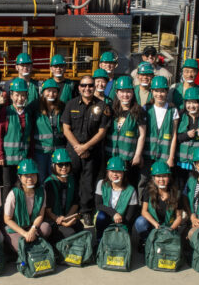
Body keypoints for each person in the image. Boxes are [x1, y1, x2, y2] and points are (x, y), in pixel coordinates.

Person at [61, 74, 111, 226]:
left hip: (92, 152)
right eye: (84, 85)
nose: (87, 88)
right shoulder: (71, 104)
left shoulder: (103, 106)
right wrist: (78, 147)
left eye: (90, 85)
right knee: (71, 182)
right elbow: (66, 129)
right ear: (79, 88)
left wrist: (86, 147)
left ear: (94, 87)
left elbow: (102, 132)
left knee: (88, 184)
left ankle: (86, 211)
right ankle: (71, 211)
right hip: (73, 151)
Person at [105, 75, 147, 187]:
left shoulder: (138, 111)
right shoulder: (111, 111)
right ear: (117, 93)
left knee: (128, 186)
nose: (125, 95)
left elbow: (142, 135)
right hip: (111, 156)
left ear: (133, 93)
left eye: (128, 91)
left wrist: (138, 155)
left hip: (129, 159)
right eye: (122, 92)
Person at [3, 159, 51, 254]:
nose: (30, 178)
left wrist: (33, 229)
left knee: (46, 228)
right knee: (21, 246)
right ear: (19, 177)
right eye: (26, 175)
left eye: (33, 175)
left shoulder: (41, 191)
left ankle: (32, 240)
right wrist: (24, 233)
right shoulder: (14, 193)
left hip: (31, 227)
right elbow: (7, 219)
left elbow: (40, 215)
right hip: (16, 229)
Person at [133, 161, 185, 250]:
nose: (161, 179)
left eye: (164, 176)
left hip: (169, 227)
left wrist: (171, 229)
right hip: (154, 224)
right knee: (140, 222)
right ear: (153, 178)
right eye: (158, 176)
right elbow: (144, 211)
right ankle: (146, 240)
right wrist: (156, 224)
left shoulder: (176, 193)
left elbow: (179, 217)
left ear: (169, 177)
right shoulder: (148, 190)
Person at [0, 78, 33, 199]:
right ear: (11, 95)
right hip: (8, 159)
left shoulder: (28, 113)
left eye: (23, 95)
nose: (20, 98)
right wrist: (0, 154)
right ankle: (5, 214)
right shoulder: (6, 112)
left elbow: (30, 136)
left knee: (20, 186)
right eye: (17, 95)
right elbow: (0, 134)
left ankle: (18, 212)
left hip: (23, 158)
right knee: (7, 186)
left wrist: (29, 155)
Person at [141, 75, 179, 189]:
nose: (159, 94)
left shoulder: (173, 110)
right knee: (143, 182)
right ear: (152, 91)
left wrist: (171, 157)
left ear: (167, 92)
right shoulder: (146, 108)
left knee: (162, 185)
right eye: (156, 91)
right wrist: (140, 155)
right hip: (147, 155)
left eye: (162, 91)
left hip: (164, 155)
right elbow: (141, 134)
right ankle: (143, 206)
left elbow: (174, 135)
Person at [94, 157, 139, 241]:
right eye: (112, 171)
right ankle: (99, 240)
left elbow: (130, 215)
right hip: (106, 217)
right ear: (107, 172)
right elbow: (98, 205)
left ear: (124, 173)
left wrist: (118, 226)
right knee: (100, 216)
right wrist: (114, 213)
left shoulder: (131, 190)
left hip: (122, 221)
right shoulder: (101, 184)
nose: (115, 174)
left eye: (118, 171)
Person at [43, 148, 83, 244]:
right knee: (71, 234)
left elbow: (75, 203)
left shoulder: (72, 180)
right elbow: (47, 211)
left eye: (66, 164)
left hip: (65, 218)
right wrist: (61, 221)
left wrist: (67, 218)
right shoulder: (49, 183)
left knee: (80, 227)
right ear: (54, 165)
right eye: (60, 164)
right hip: (53, 220)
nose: (64, 167)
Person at [34, 79, 66, 182]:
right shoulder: (35, 107)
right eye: (48, 91)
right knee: (41, 179)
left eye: (54, 91)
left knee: (55, 180)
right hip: (41, 152)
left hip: (58, 151)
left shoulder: (62, 107)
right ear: (43, 92)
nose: (51, 94)